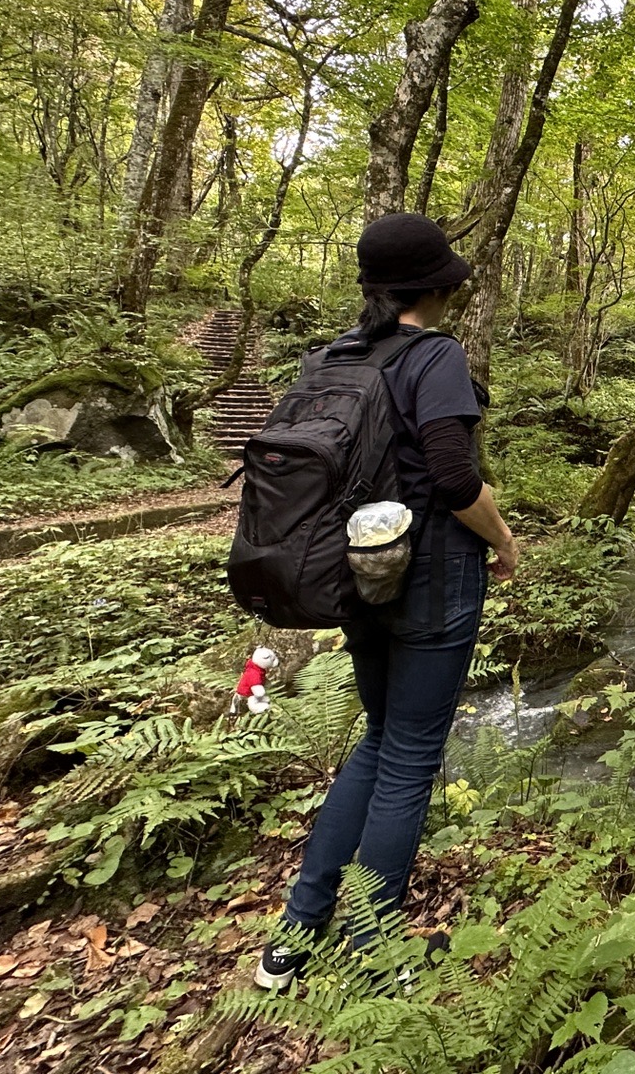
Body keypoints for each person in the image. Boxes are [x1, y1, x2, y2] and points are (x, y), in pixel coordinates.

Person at [255, 212, 518, 991]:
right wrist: (502, 539)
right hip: (432, 572)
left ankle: (294, 939)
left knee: (377, 742)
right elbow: (451, 474)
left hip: (352, 573)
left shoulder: (333, 357)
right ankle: (376, 953)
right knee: (408, 759)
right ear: (435, 286)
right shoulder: (433, 354)